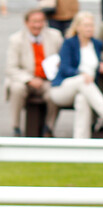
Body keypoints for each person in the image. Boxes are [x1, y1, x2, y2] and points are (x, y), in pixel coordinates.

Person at [48, 12, 103, 138]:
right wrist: (81, 73)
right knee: (81, 80)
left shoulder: (96, 44)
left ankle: (81, 142)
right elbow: (64, 68)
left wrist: (101, 65)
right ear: (77, 27)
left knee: (83, 100)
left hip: (86, 90)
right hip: (63, 88)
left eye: (91, 25)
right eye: (86, 25)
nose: (89, 28)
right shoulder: (69, 43)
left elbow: (95, 62)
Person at [5, 9, 64, 137]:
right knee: (16, 88)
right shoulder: (16, 40)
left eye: (41, 21)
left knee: (55, 93)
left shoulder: (55, 36)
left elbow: (63, 58)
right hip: (26, 79)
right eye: (34, 22)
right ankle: (16, 128)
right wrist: (29, 79)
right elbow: (11, 68)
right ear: (26, 23)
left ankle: (49, 128)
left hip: (47, 80)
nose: (38, 25)